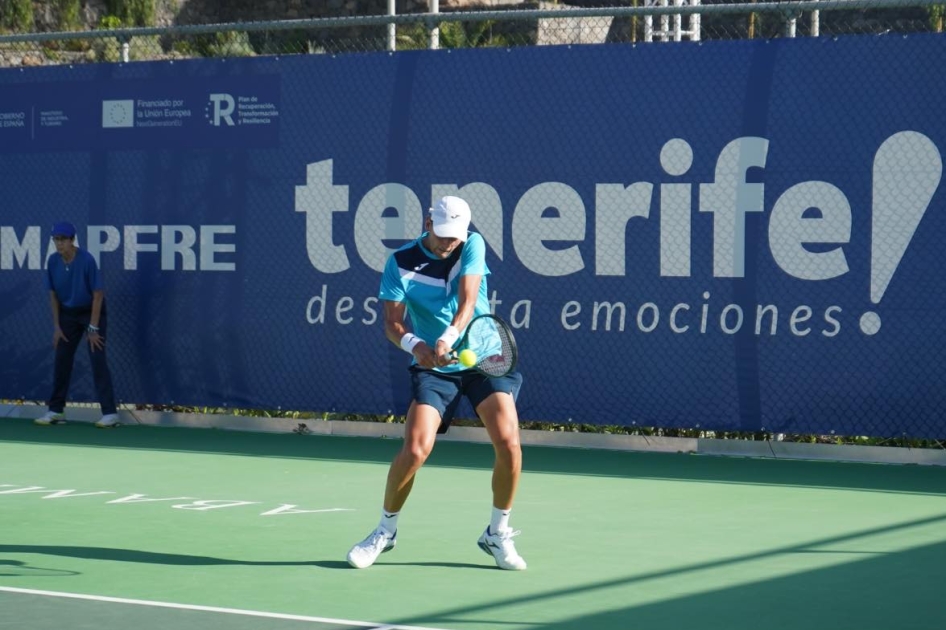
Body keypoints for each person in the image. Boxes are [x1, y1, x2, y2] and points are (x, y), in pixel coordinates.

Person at [346, 196, 527, 571]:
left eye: (455, 237)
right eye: (442, 234)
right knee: (414, 450)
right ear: (428, 222)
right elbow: (392, 325)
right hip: (432, 367)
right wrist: (418, 345)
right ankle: (385, 531)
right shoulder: (399, 263)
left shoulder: (471, 244)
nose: (449, 243)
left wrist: (446, 339)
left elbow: (468, 303)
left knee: (509, 442)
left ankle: (497, 533)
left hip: (484, 357)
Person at [34, 222, 120, 429]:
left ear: (72, 240)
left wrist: (93, 328)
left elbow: (98, 295)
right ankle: (56, 410)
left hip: (92, 311)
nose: (59, 243)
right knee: (62, 359)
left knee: (97, 359)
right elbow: (53, 295)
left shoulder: (87, 260)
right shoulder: (53, 261)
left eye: (63, 239)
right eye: (56, 239)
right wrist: (57, 326)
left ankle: (110, 414)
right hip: (67, 315)